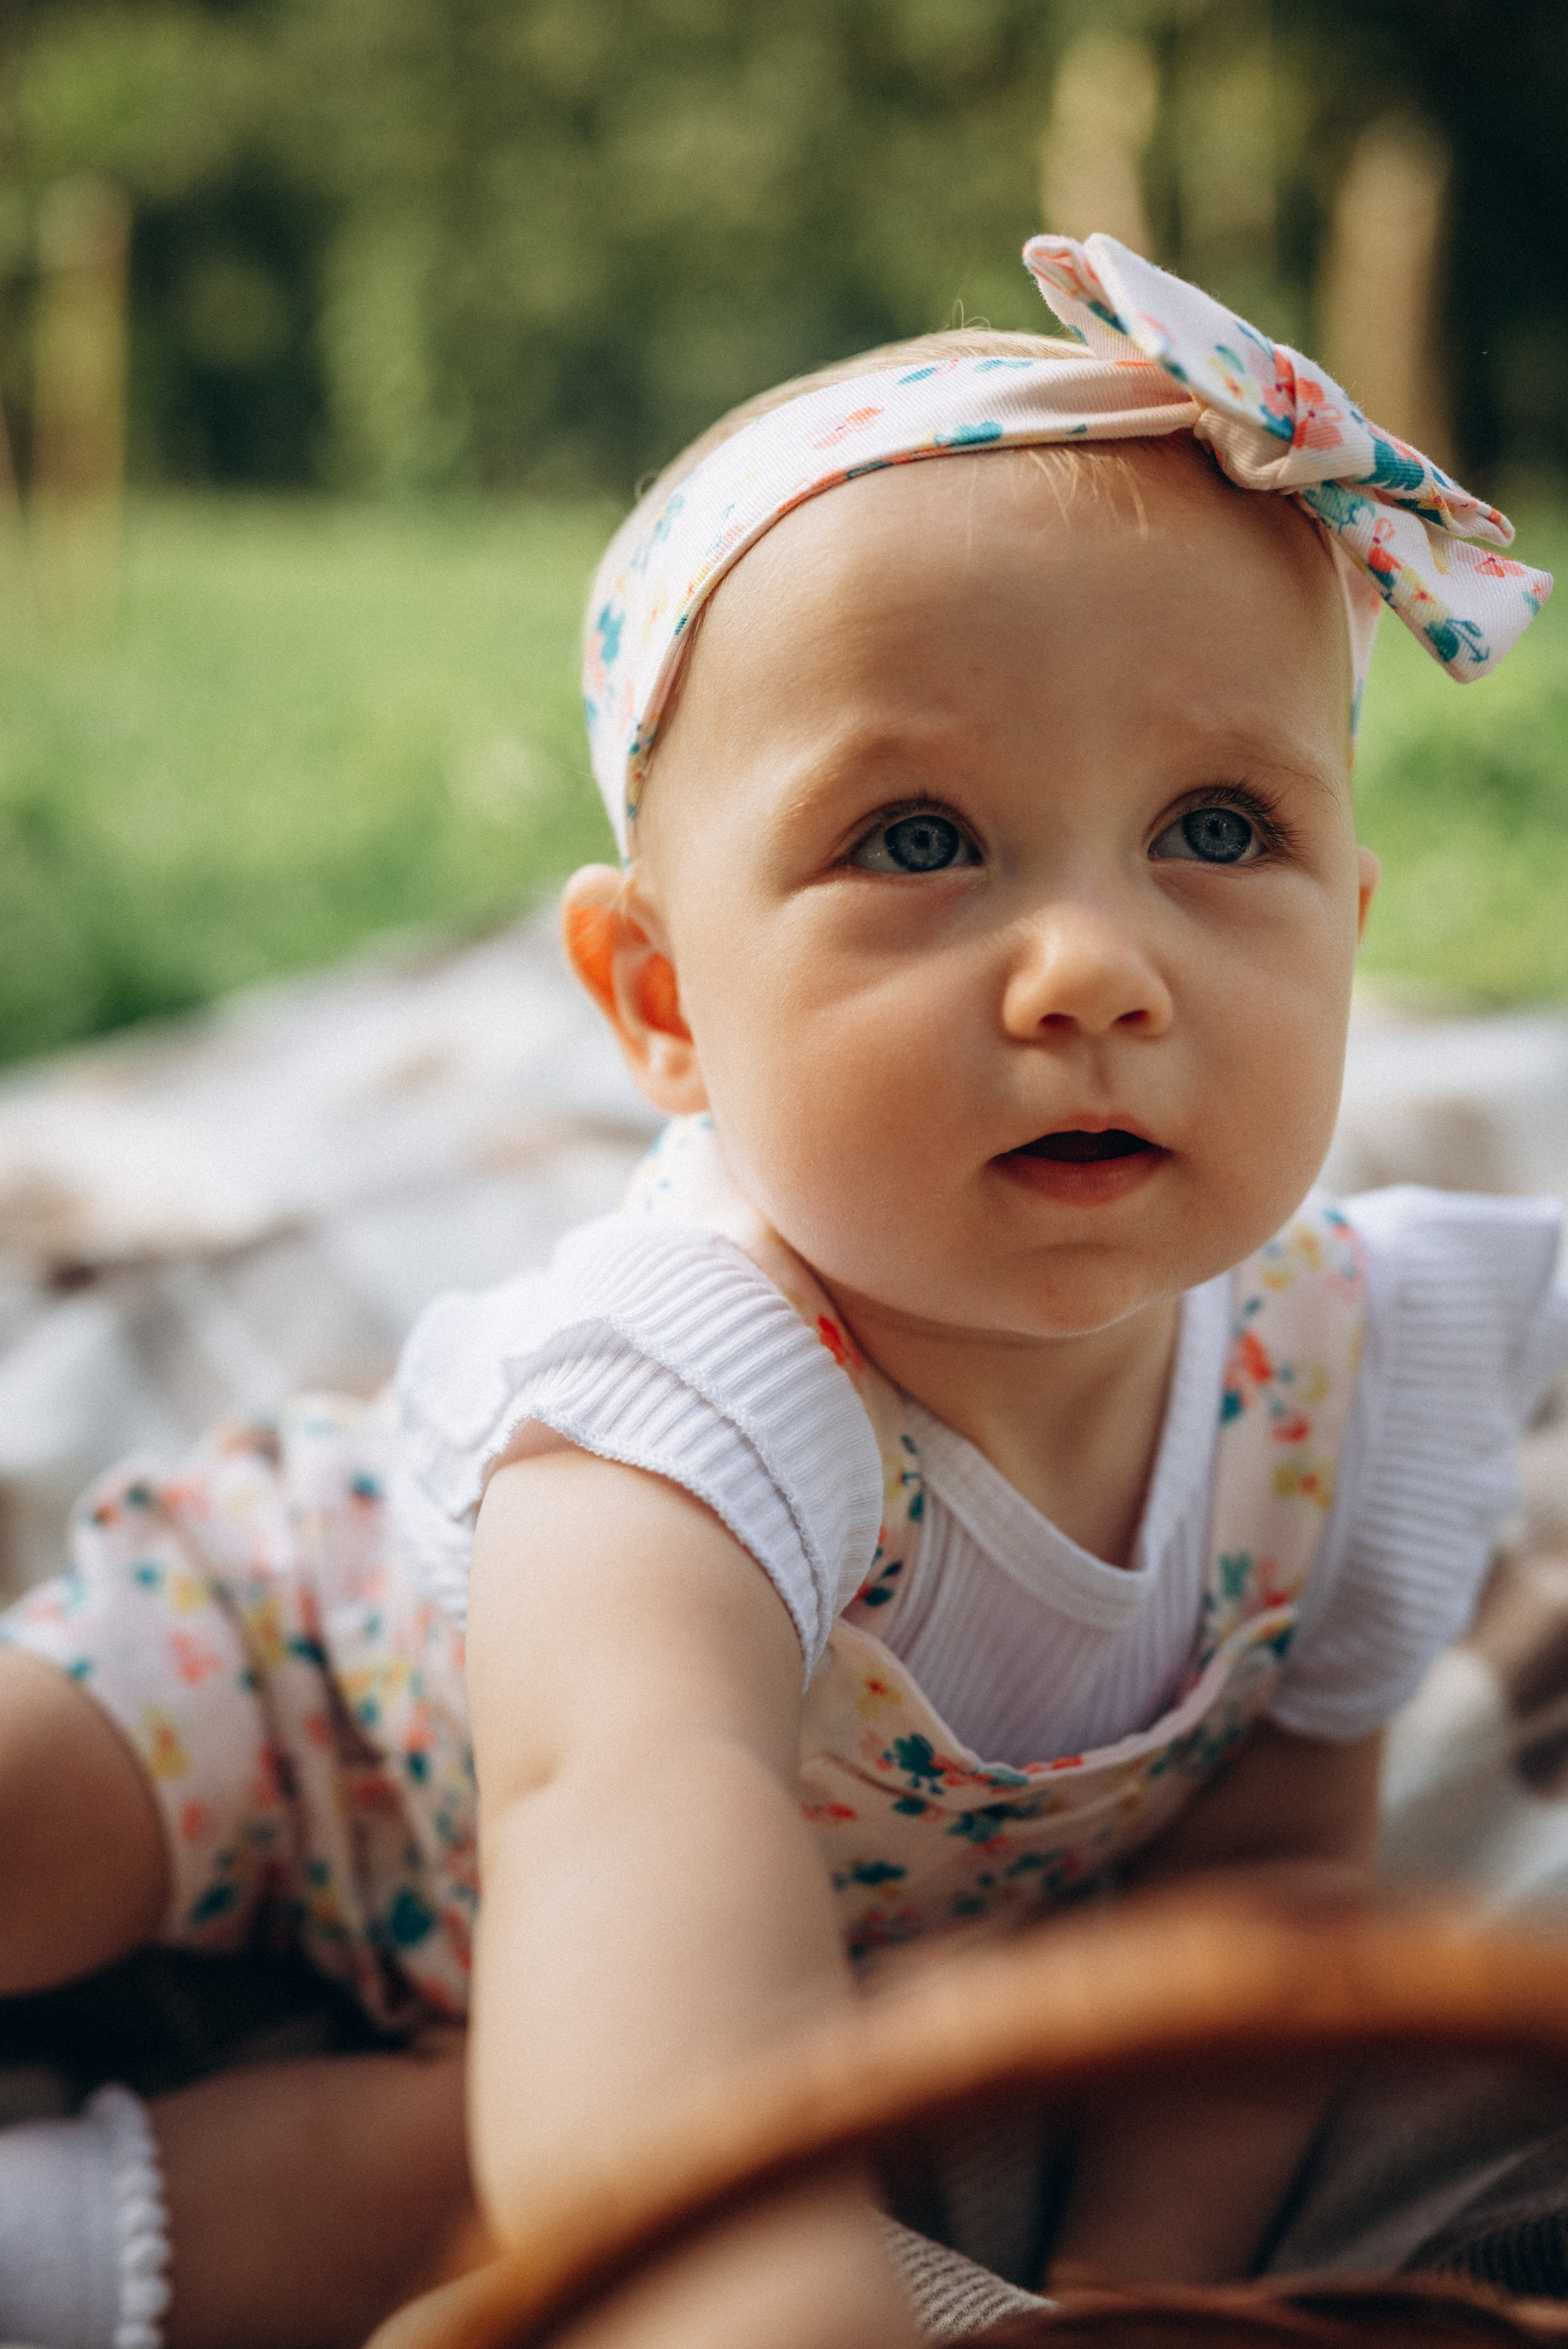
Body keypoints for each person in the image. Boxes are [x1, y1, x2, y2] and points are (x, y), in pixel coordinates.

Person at [0, 232, 1559, 2349]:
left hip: (645, 1995)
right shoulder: (693, 1395)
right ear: (660, 1000)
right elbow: (627, 1809)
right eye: (920, 844)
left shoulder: (1357, 1389)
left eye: (1217, 824)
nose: (1097, 965)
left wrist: (1125, 2283)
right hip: (299, 1705)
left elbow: (1258, 1894)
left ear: (1351, 920)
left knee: (423, 2181)